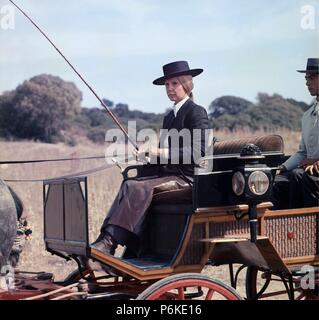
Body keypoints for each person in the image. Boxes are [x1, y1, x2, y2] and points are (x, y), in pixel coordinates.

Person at [91, 61, 211, 257]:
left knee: (137, 188)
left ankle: (109, 243)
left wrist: (158, 152)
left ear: (186, 84)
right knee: (130, 183)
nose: (170, 89)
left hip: (188, 180)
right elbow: (164, 154)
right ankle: (117, 242)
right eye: (167, 85)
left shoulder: (196, 112)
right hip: (168, 175)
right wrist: (147, 157)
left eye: (175, 84)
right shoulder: (169, 117)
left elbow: (198, 152)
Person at [274, 58, 319, 209]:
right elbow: (302, 153)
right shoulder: (307, 116)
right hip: (309, 171)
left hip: (313, 173)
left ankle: (311, 227)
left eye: (311, 78)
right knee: (278, 181)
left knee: (299, 176)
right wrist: (282, 168)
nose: (307, 83)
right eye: (306, 78)